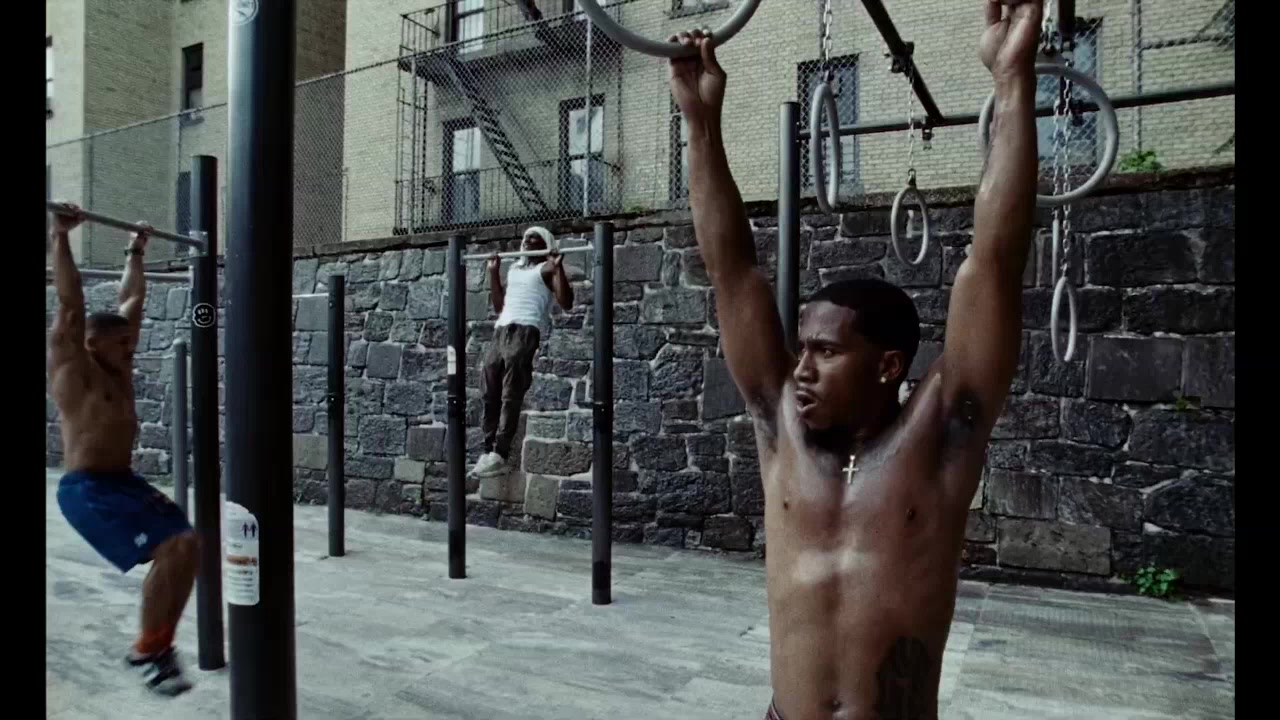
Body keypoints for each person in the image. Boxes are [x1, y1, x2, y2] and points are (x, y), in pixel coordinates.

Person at [668, 1, 1042, 717]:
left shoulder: (939, 441)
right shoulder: (781, 428)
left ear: (888, 365)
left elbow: (995, 262)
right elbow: (731, 271)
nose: (801, 367)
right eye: (802, 348)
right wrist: (701, 125)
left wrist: (1012, 79)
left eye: (827, 351)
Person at [48, 205, 200, 697]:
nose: (131, 352)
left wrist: (137, 247)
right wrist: (61, 235)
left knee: (188, 546)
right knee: (170, 548)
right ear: (92, 342)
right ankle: (150, 650)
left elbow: (132, 297)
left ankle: (156, 646)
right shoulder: (75, 367)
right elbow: (70, 305)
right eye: (123, 345)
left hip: (122, 481)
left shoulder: (117, 357)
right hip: (87, 490)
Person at [471, 226, 574, 478]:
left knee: (510, 392)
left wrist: (558, 267)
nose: (527, 241)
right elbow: (499, 305)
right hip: (501, 330)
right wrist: (493, 272)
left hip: (525, 330)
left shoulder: (547, 268)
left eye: (534, 239)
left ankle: (501, 452)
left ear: (544, 244)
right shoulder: (515, 269)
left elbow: (566, 302)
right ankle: (488, 449)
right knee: (489, 390)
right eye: (526, 238)